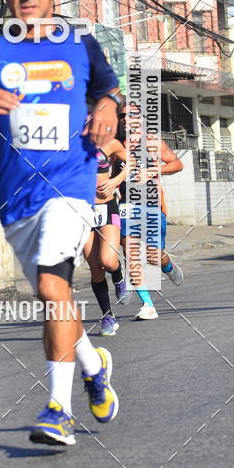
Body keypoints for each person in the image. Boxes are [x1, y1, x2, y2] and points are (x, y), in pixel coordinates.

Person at [0, 0, 123, 446]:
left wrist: (107, 108)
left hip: (69, 187)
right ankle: (93, 368)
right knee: (58, 296)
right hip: (16, 201)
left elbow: (111, 92)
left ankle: (58, 411)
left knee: (51, 288)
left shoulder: (80, 44)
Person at [118, 114, 184, 320]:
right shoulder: (117, 145)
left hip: (153, 206)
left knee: (153, 256)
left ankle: (167, 264)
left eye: (129, 115)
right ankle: (148, 304)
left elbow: (177, 164)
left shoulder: (153, 141)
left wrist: (155, 170)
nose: (124, 119)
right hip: (126, 207)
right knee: (130, 252)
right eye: (121, 115)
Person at [83, 138, 130, 336]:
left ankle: (119, 277)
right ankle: (108, 316)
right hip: (82, 211)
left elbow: (132, 162)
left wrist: (115, 180)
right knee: (95, 267)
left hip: (107, 207)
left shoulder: (110, 143)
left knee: (108, 260)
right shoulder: (65, 146)